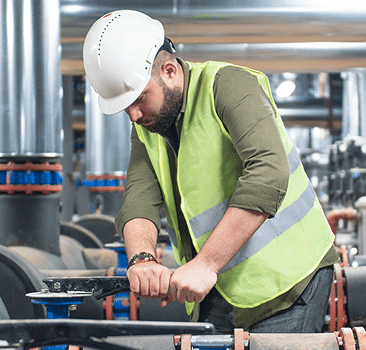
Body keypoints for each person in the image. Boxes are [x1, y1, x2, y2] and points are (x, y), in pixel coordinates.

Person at [83, 10, 338, 334]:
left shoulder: (228, 86)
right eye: (125, 107)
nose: (133, 114)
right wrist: (142, 260)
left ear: (170, 70)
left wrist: (205, 265)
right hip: (220, 287)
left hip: (288, 279)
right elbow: (138, 201)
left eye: (140, 98)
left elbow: (268, 172)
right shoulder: (148, 126)